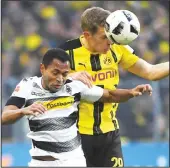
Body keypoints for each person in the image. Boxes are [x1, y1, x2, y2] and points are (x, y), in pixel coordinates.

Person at [2, 48, 152, 167]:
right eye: (55, 73)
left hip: (72, 161)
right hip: (40, 162)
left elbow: (110, 95)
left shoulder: (75, 87)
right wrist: (22, 111)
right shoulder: (27, 86)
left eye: (64, 74)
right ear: (42, 68)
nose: (60, 79)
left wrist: (132, 92)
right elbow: (5, 117)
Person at [58, 7, 169, 167]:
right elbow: (44, 85)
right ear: (87, 35)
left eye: (111, 36)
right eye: (104, 37)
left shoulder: (117, 48)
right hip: (74, 136)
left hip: (109, 135)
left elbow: (151, 72)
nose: (109, 41)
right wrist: (69, 77)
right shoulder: (65, 52)